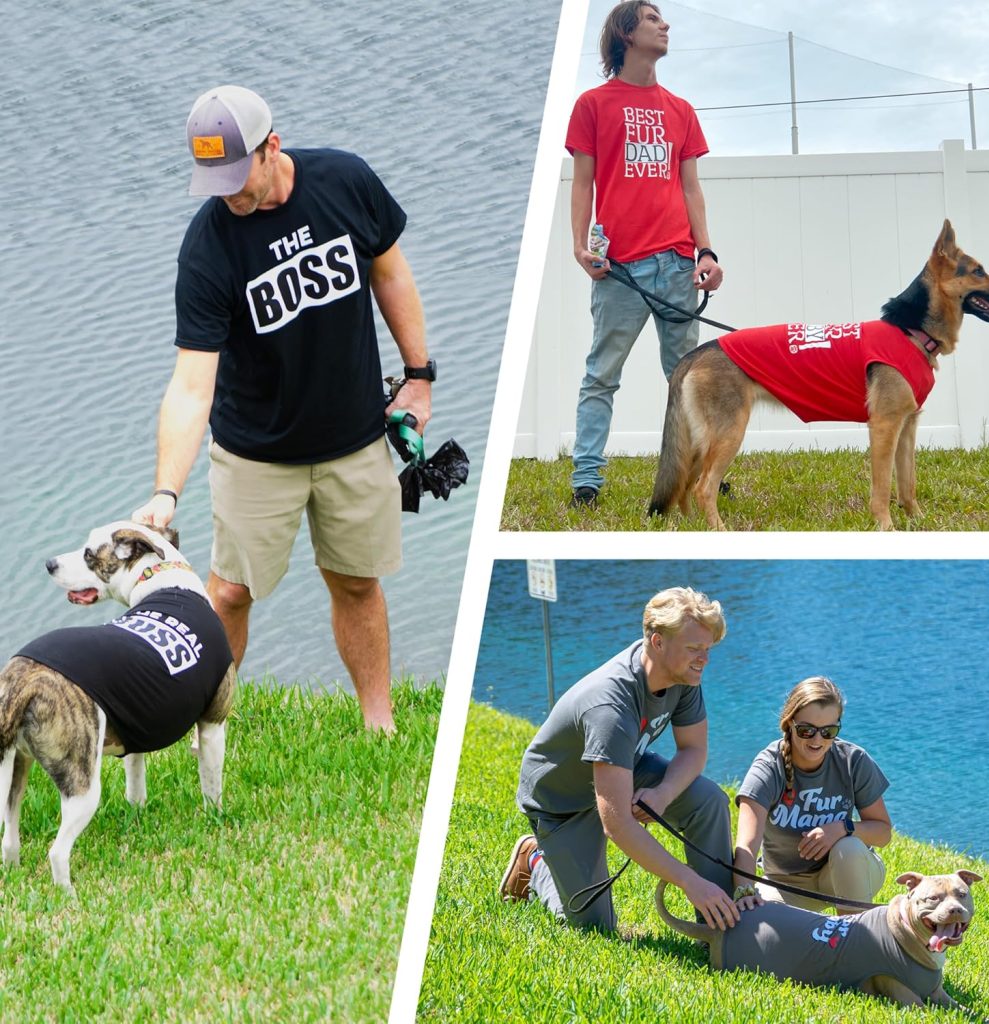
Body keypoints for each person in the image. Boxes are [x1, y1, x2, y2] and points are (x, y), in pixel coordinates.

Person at [133, 85, 435, 734]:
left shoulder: (344, 180)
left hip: (355, 439)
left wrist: (418, 377)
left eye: (237, 176)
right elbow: (191, 385)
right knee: (231, 591)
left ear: (272, 147)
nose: (229, 193)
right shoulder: (208, 248)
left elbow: (390, 272)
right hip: (255, 453)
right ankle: (205, 725)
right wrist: (165, 492)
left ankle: (378, 726)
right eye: (214, 180)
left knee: (356, 582)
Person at [499, 587, 741, 934]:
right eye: (694, 649)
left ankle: (720, 926)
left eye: (707, 649)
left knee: (709, 801)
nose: (704, 659)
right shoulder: (610, 707)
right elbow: (618, 826)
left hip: (622, 768)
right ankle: (536, 860)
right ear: (658, 642)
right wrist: (689, 881)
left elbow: (693, 750)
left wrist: (662, 794)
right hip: (562, 801)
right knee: (594, 927)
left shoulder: (684, 675)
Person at [566, 1, 724, 509]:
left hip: (678, 265)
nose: (665, 25)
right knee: (601, 376)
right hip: (620, 271)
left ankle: (702, 476)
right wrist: (582, 247)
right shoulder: (592, 104)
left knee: (688, 380)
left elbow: (692, 189)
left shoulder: (681, 110)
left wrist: (706, 252)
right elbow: (584, 183)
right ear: (626, 34)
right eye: (653, 18)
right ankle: (586, 481)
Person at [733, 677, 892, 915]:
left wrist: (842, 827)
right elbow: (746, 844)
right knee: (762, 923)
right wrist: (744, 892)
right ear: (789, 724)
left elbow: (883, 832)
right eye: (806, 730)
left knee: (847, 848)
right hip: (784, 885)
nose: (817, 740)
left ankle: (853, 941)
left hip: (847, 871)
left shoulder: (853, 761)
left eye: (829, 731)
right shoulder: (768, 766)